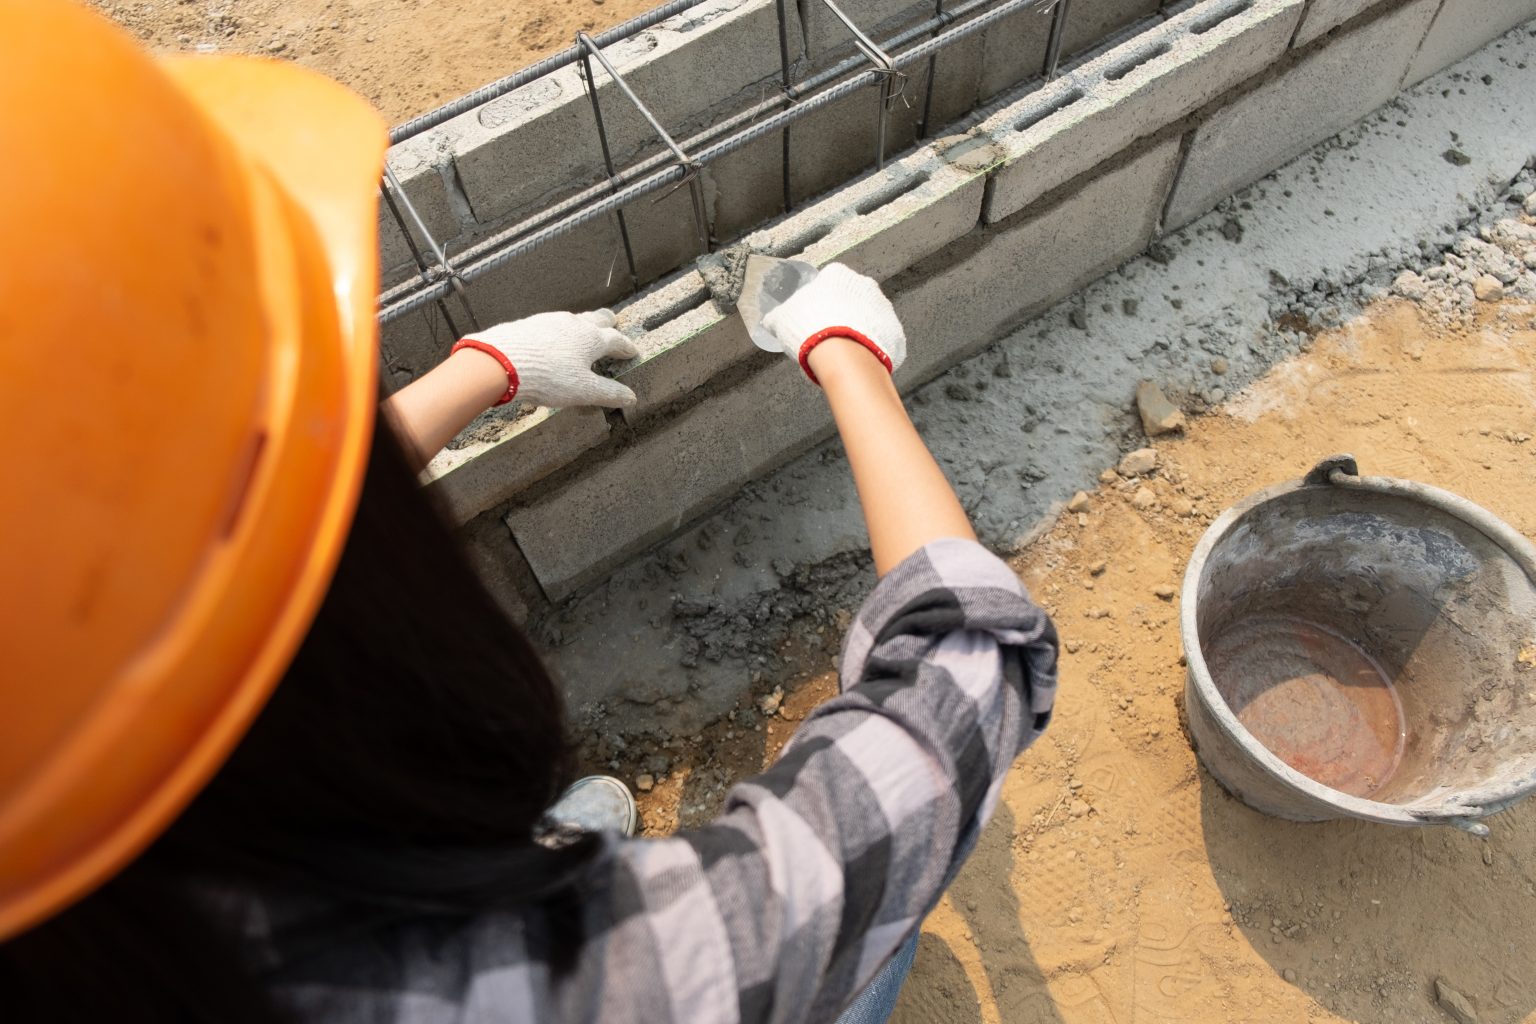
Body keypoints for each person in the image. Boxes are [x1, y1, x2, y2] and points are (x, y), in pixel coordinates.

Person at [0, 3, 1059, 1023]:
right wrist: (850, 357)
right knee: (882, 940)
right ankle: (556, 865)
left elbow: (219, 553)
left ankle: (550, 844)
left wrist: (481, 369)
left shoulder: (63, 839)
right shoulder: (593, 988)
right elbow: (964, 662)